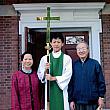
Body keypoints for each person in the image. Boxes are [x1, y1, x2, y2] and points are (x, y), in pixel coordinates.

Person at [37, 33, 72, 110]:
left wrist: (54, 78)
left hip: (61, 90)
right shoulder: (45, 58)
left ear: (62, 44)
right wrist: (45, 69)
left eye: (58, 42)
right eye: (54, 42)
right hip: (49, 90)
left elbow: (68, 74)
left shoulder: (67, 58)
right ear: (50, 44)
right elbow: (40, 75)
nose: (56, 44)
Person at [68, 41, 106, 110]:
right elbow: (71, 84)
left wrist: (101, 97)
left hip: (92, 101)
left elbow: (101, 82)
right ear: (76, 51)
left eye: (83, 48)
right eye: (79, 49)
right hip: (78, 102)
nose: (81, 51)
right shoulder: (74, 65)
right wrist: (71, 100)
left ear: (88, 50)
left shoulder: (95, 64)